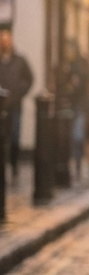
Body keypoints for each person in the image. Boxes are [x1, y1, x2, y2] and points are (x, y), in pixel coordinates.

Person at [0, 28, 34, 183]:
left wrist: (20, 92)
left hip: (14, 105)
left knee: (14, 138)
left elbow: (30, 78)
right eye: (2, 40)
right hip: (1, 106)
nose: (5, 43)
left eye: (7, 39)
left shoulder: (20, 60)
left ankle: (14, 167)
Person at [59, 39, 89, 181]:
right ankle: (69, 166)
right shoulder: (66, 65)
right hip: (68, 105)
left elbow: (84, 85)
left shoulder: (81, 65)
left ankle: (77, 165)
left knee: (77, 136)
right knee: (69, 136)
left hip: (79, 105)